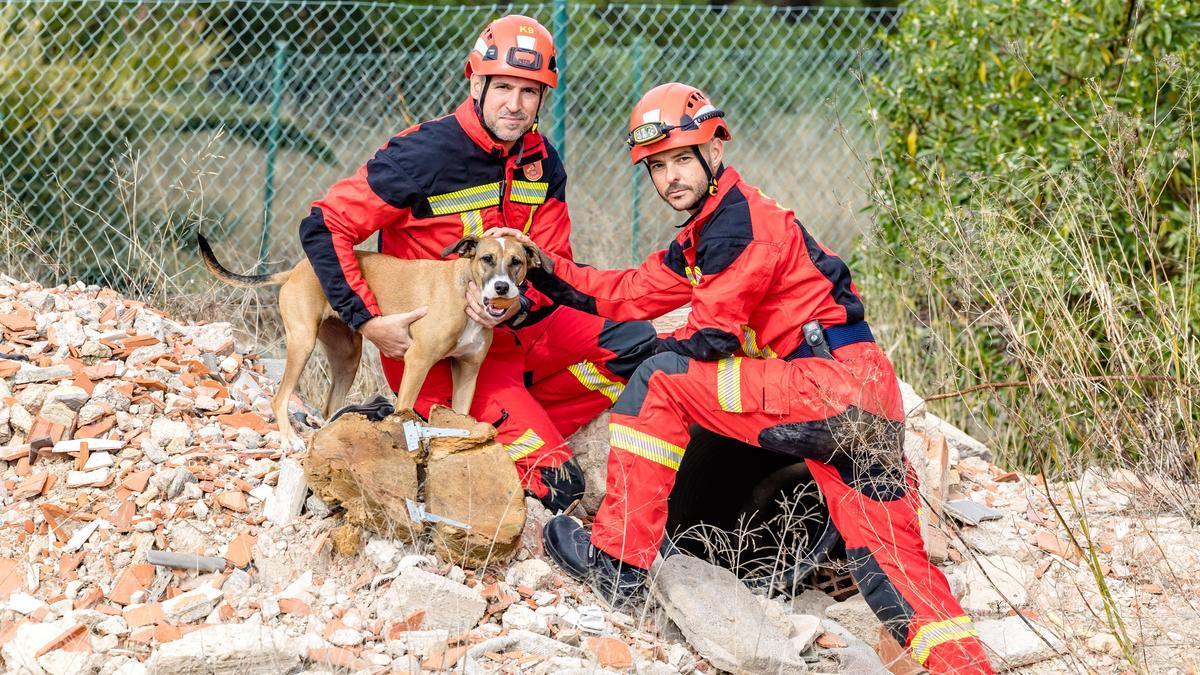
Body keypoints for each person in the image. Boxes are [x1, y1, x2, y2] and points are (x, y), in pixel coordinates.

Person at [490, 82, 994, 673]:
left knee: (658, 380)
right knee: (893, 564)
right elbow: (630, 292)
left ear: (716, 150)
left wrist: (656, 349)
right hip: (866, 401)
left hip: (822, 385)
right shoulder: (712, 228)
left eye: (683, 158)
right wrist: (546, 271)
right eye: (658, 166)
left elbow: (712, 338)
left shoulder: (741, 224)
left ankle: (619, 563)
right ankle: (963, 664)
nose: (671, 176)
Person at [297, 15, 657, 510]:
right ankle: (479, 421)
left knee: (639, 344)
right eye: (504, 87)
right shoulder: (421, 154)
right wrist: (367, 320)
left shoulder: (543, 160)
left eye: (530, 91)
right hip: (443, 352)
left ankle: (517, 413)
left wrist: (520, 306)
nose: (515, 104)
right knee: (559, 487)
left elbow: (556, 265)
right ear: (476, 81)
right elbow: (324, 225)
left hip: (519, 329)